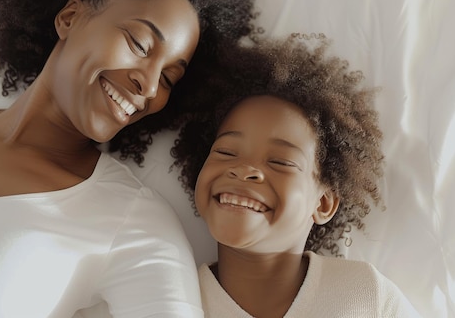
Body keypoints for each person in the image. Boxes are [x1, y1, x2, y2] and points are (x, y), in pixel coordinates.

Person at [0, 0, 255, 317]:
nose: (149, 87)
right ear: (70, 17)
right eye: (139, 44)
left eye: (168, 78)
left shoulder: (134, 222)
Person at [171, 34, 421, 318]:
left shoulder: (364, 294)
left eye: (280, 162)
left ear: (323, 203)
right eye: (227, 152)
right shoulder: (171, 300)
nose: (244, 170)